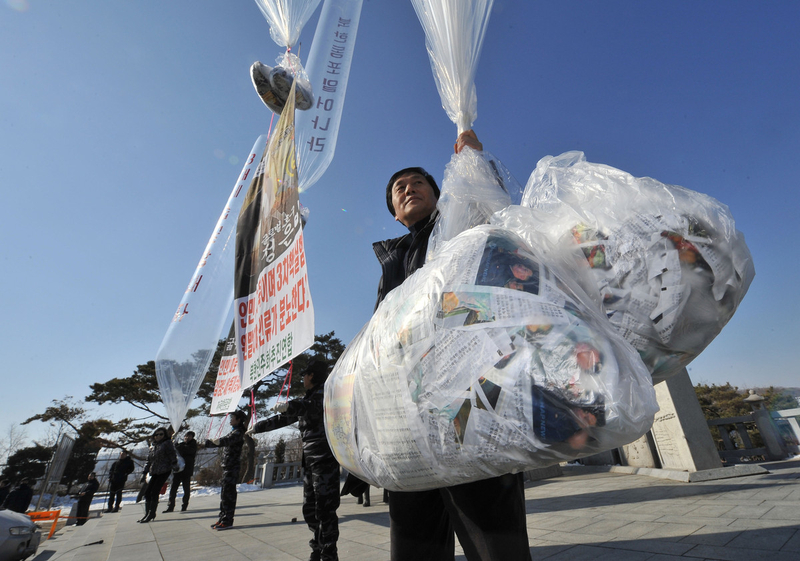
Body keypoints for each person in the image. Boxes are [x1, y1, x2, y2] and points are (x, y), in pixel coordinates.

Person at [374, 130, 531, 561]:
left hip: (469, 403)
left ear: (438, 194)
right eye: (399, 189)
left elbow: (496, 217)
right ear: (393, 212)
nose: (408, 189)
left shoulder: (456, 226)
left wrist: (476, 167)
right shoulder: (392, 261)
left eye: (417, 182)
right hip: (407, 421)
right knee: (413, 542)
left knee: (494, 539)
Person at [248, 359, 340, 561]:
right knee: (310, 509)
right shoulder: (306, 399)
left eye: (304, 375)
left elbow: (310, 407)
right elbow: (284, 418)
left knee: (325, 509)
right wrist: (259, 427)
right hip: (309, 458)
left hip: (325, 458)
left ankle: (329, 555)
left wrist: (291, 405)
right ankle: (317, 549)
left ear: (312, 376)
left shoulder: (325, 394)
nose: (303, 379)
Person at [204, 409, 246, 530]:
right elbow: (221, 441)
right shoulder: (233, 432)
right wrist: (209, 443)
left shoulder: (238, 432)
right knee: (224, 494)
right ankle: (222, 518)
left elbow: (225, 441)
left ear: (238, 420)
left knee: (229, 494)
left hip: (232, 466)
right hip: (228, 466)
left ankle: (227, 520)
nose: (230, 419)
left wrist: (217, 442)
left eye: (233, 417)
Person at [139, 427, 179, 523]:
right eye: (156, 434)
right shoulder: (153, 446)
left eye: (161, 434)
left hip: (164, 470)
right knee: (148, 492)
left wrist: (174, 464)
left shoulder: (167, 443)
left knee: (155, 491)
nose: (158, 436)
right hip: (154, 471)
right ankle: (147, 513)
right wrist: (144, 472)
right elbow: (149, 460)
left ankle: (152, 513)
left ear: (164, 435)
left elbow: (172, 455)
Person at [165, 431, 197, 513]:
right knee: (173, 488)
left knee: (186, 489)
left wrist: (177, 446)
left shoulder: (193, 445)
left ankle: (184, 505)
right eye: (186, 436)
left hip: (187, 470)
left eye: (189, 436)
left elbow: (188, 451)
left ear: (192, 437)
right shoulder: (181, 445)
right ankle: (170, 506)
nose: (187, 438)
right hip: (178, 470)